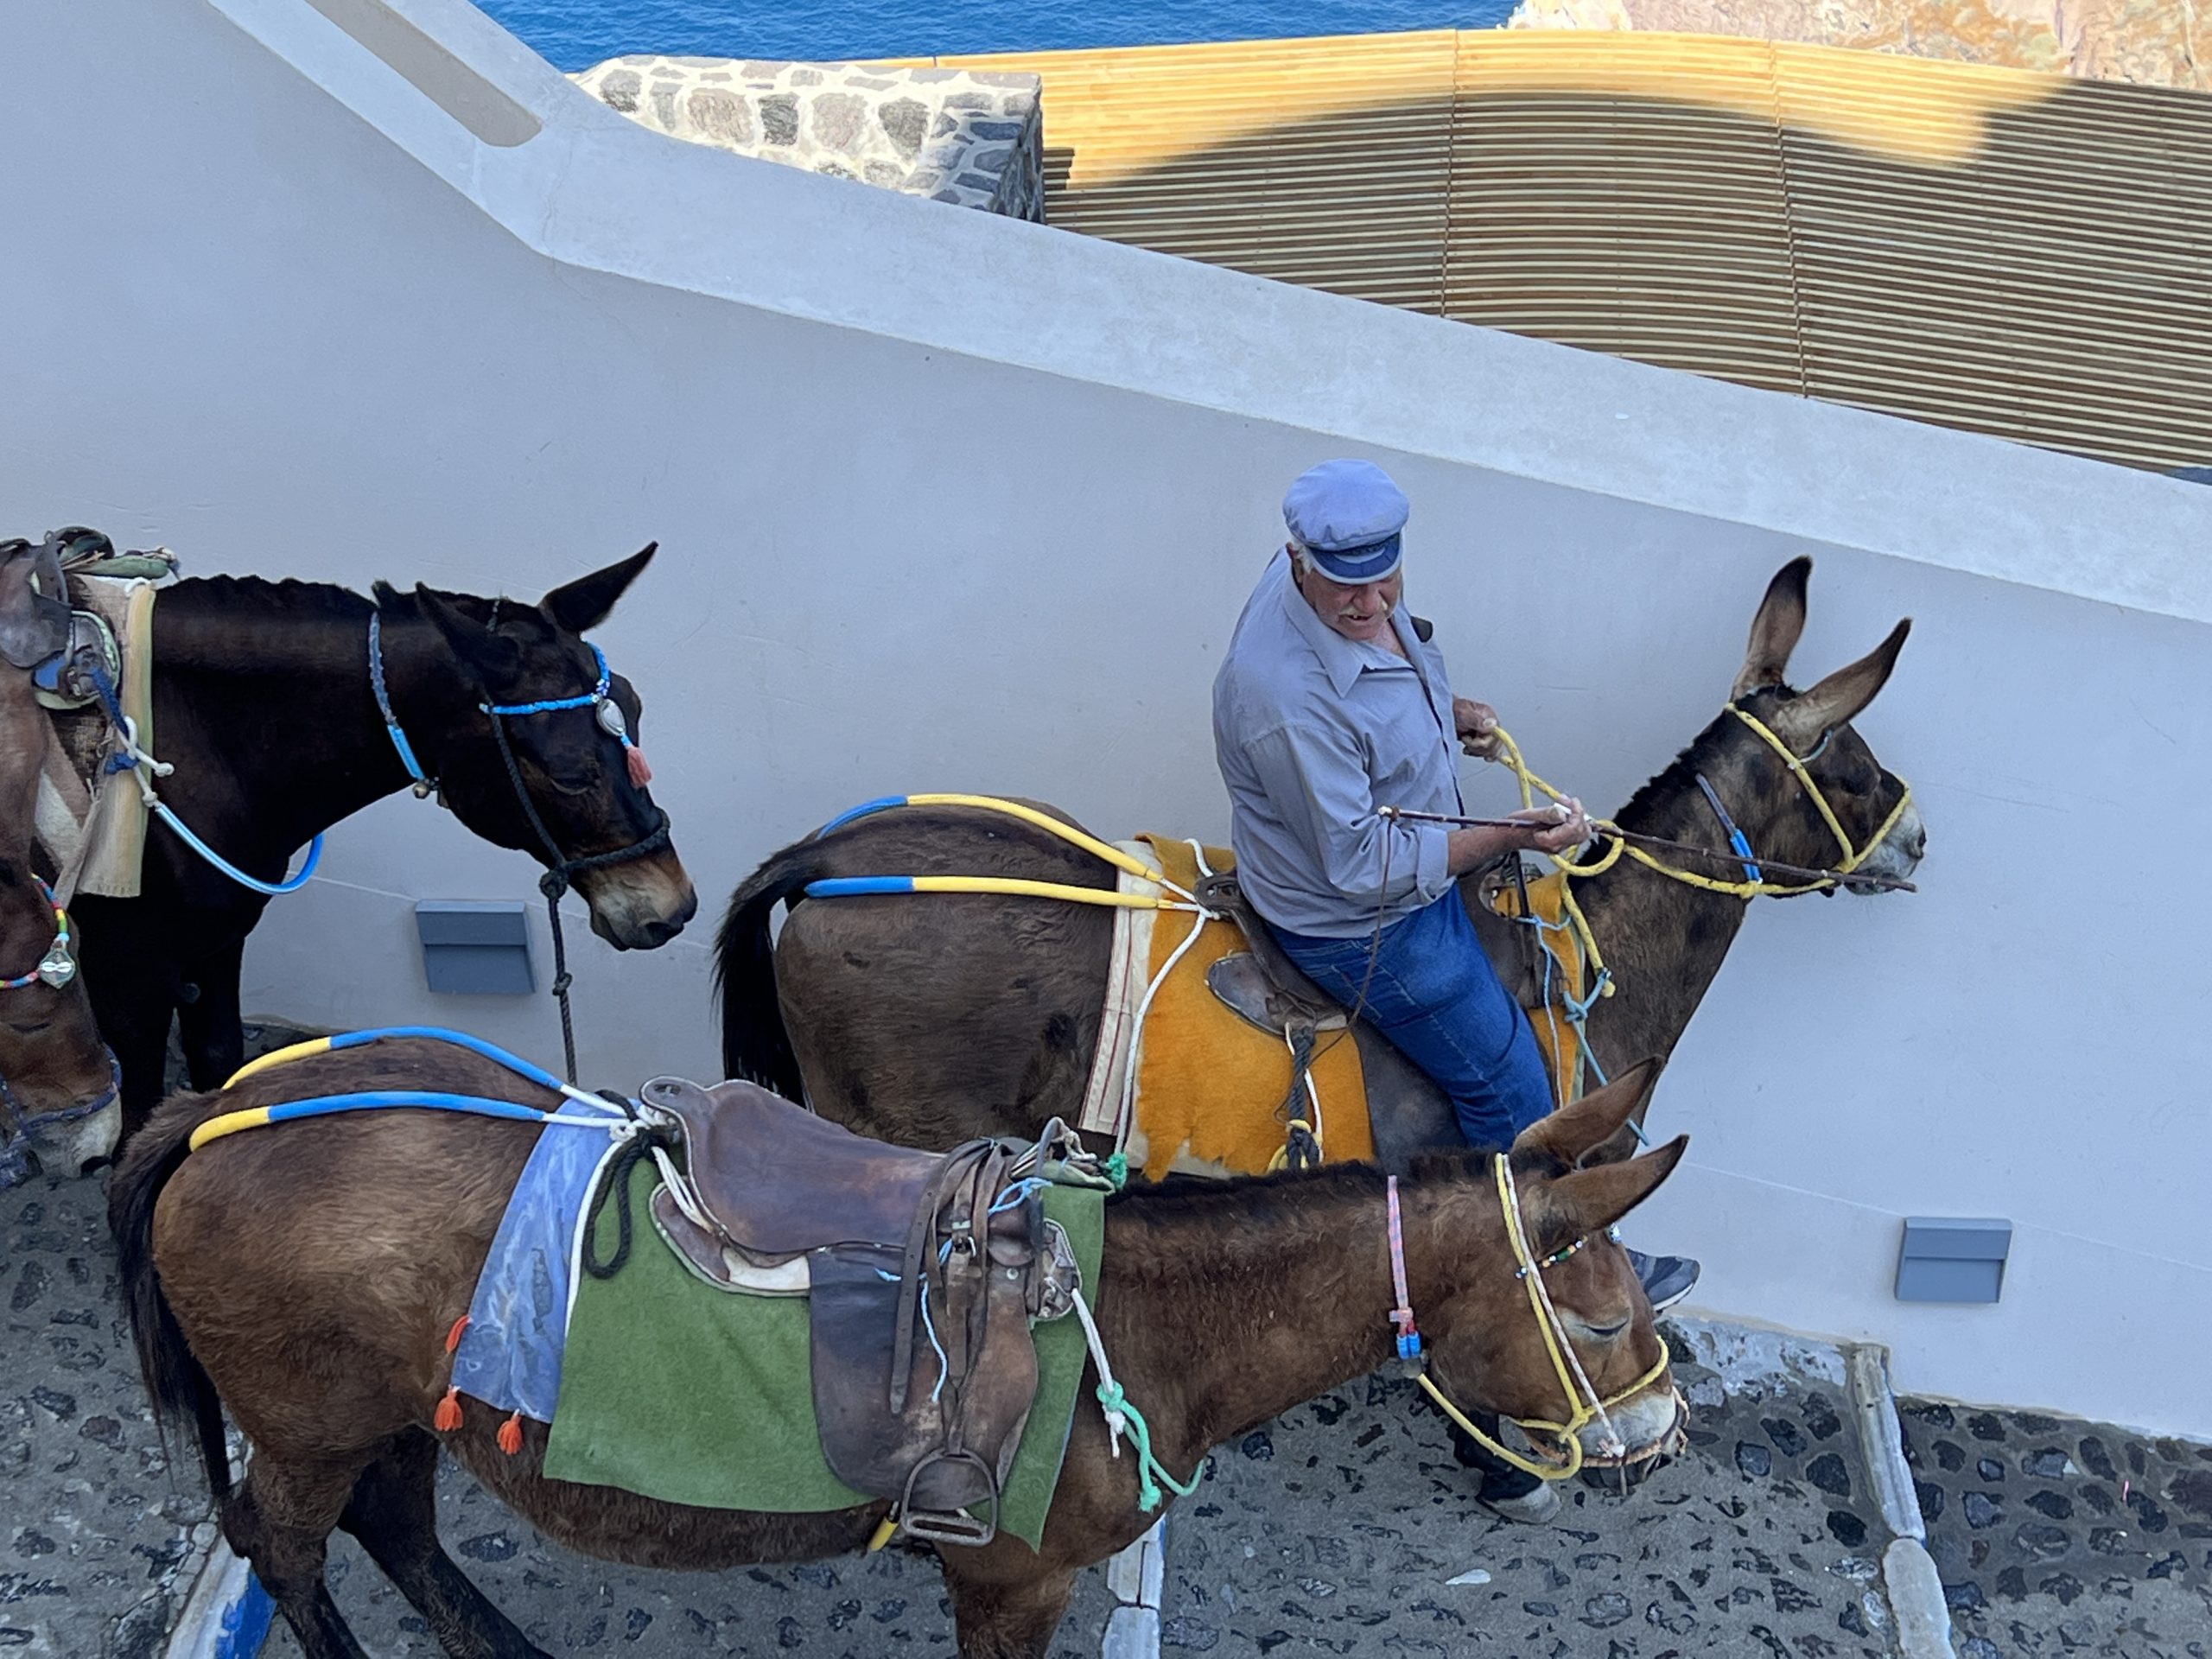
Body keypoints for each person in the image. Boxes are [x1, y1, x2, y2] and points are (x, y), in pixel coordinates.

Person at [1211, 458, 1699, 1521]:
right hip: (1366, 921)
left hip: (1406, 863)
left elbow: (1389, 664)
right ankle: (1541, 1263)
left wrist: (1446, 710)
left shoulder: (1350, 601)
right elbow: (1357, 867)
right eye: (1349, 588)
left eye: (1387, 581)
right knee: (1518, 1098)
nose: (1373, 603)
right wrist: (1514, 833)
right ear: (1297, 560)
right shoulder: (1280, 693)